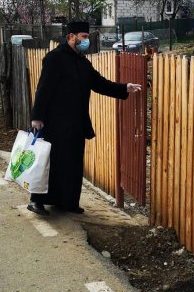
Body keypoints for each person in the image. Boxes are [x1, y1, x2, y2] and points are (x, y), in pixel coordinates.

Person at [27, 21, 141, 216]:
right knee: (50, 162)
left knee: (72, 163)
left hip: (76, 123)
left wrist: (124, 88)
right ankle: (36, 201)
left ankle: (68, 202)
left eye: (87, 37)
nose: (86, 41)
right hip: (54, 121)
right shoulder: (54, 58)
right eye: (84, 37)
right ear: (71, 37)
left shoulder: (82, 63)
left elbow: (100, 84)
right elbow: (43, 89)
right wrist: (37, 117)